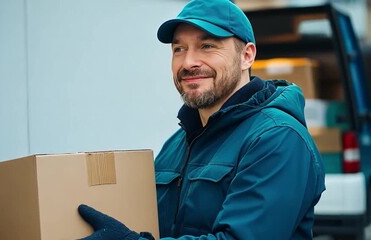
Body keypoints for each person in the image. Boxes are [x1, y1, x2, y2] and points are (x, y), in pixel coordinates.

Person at [77, 0, 326, 239]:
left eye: (207, 46)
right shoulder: (177, 143)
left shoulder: (277, 138)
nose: (188, 62)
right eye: (179, 49)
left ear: (247, 56)